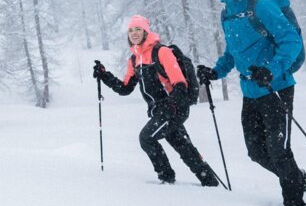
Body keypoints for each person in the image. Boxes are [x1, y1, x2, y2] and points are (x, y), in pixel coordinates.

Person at [197, 0, 306, 206]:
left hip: (276, 88)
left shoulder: (260, 6)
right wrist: (215, 71)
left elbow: (291, 41)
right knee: (256, 152)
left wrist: (271, 69)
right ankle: (304, 180)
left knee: (278, 150)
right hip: (251, 92)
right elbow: (233, 52)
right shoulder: (227, 14)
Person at [93, 14, 219, 187]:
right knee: (181, 144)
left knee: (146, 138)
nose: (134, 33)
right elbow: (125, 88)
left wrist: (171, 106)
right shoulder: (134, 59)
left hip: (174, 108)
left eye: (138, 29)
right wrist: (104, 75)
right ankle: (208, 180)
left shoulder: (161, 52)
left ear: (146, 32)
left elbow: (180, 83)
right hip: (161, 111)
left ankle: (166, 177)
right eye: (131, 30)